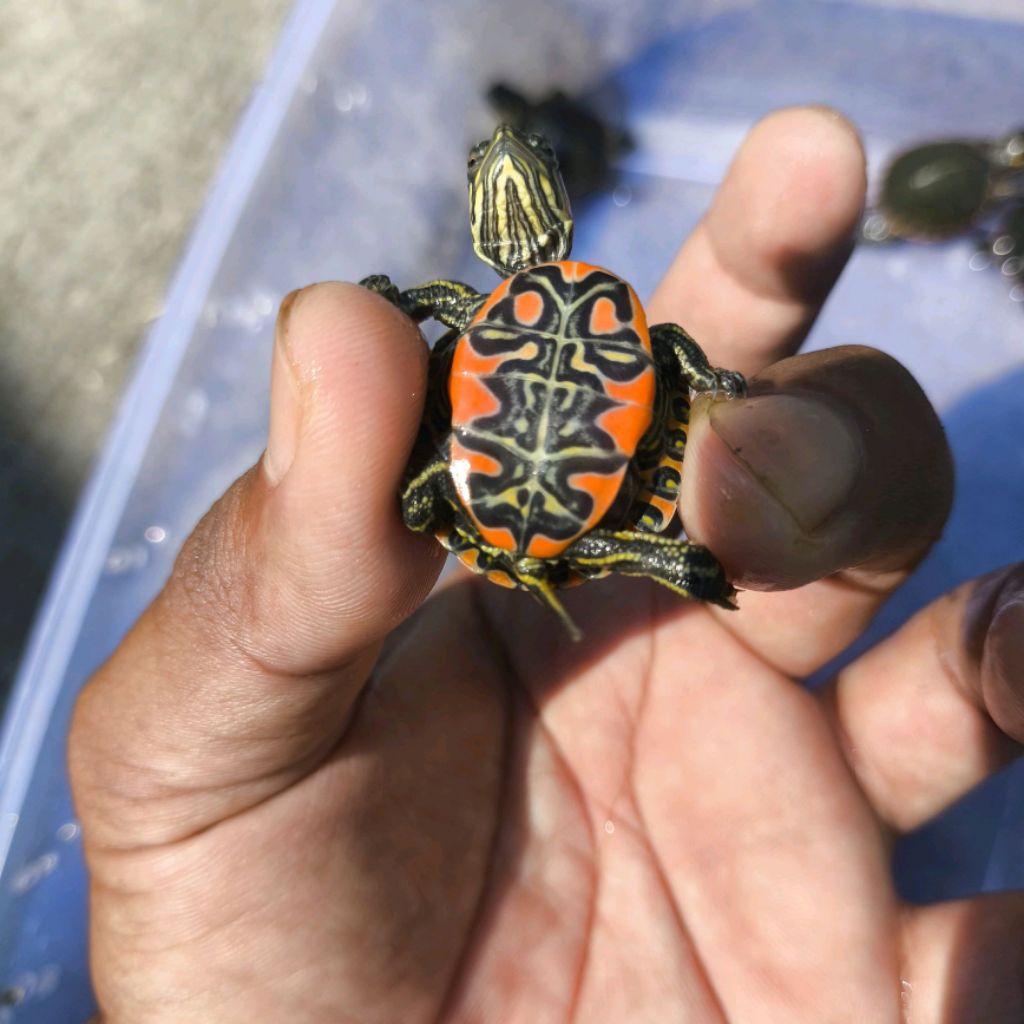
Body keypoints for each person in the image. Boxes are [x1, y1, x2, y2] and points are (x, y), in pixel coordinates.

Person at [69, 107, 1024, 1022]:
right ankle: (652, 549)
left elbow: (657, 350)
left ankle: (651, 548)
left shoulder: (475, 308)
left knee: (482, 497)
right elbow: (665, 353)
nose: (500, 167)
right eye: (491, 172)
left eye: (504, 177)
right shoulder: (558, 312)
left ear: (509, 220)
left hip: (501, 491)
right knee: (601, 509)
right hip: (573, 509)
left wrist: (697, 379)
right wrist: (706, 384)